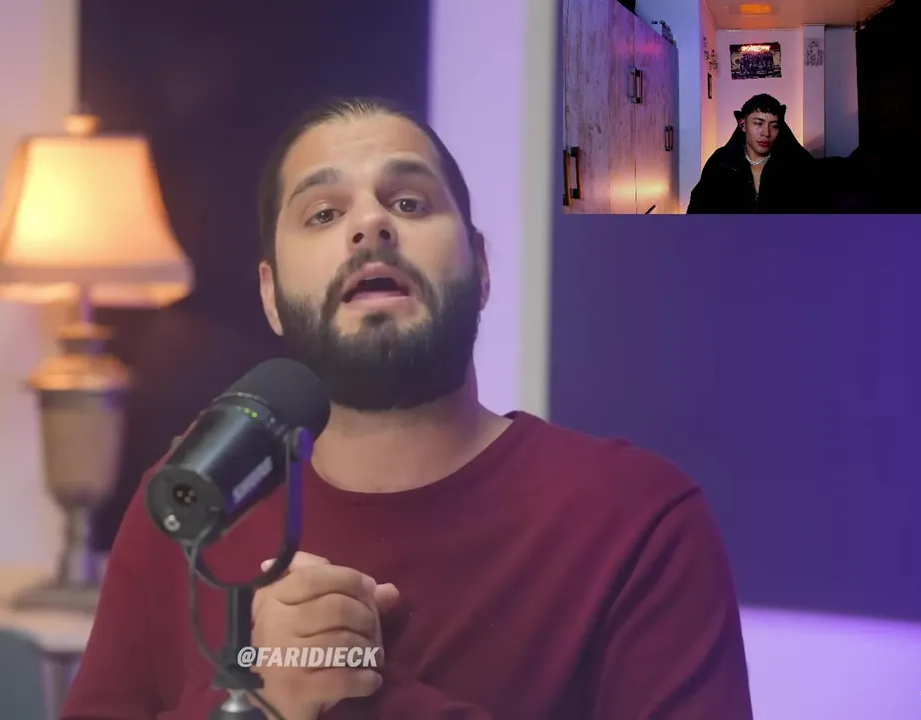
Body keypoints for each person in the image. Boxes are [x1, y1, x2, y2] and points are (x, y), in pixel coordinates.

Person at [61, 97, 754, 719]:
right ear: (270, 295)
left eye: (410, 203)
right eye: (323, 213)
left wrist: (363, 697)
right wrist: (252, 699)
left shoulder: (638, 522)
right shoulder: (190, 506)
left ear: (481, 268)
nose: (370, 225)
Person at [688, 93, 816, 213]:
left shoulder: (798, 164)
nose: (766, 133)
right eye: (758, 123)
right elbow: (697, 212)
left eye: (774, 126)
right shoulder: (720, 162)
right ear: (743, 125)